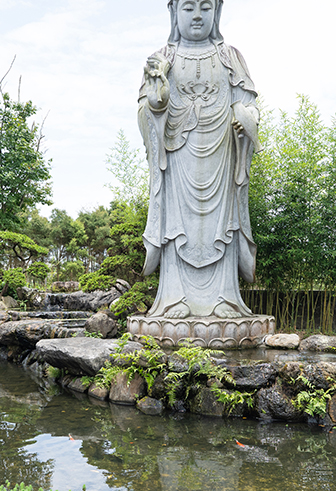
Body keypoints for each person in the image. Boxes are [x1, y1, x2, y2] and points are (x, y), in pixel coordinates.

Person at [139, 0, 259, 319]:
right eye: (188, 7)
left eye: (205, 8)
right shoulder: (163, 58)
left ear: (216, 13)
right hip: (178, 159)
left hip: (223, 154)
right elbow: (148, 111)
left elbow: (249, 105)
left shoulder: (230, 57)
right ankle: (174, 299)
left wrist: (244, 117)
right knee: (177, 226)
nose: (196, 16)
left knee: (223, 225)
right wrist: (156, 97)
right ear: (174, 12)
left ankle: (224, 300)